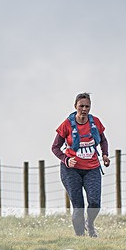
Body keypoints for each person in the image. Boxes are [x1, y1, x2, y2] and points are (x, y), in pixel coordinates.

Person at [51, 92, 110, 237]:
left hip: (92, 168)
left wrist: (105, 154)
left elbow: (103, 140)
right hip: (71, 170)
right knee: (78, 207)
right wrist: (66, 159)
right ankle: (80, 237)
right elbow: (55, 147)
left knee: (95, 203)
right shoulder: (67, 124)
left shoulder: (95, 122)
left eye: (87, 106)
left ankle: (89, 225)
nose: (84, 109)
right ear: (75, 106)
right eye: (81, 106)